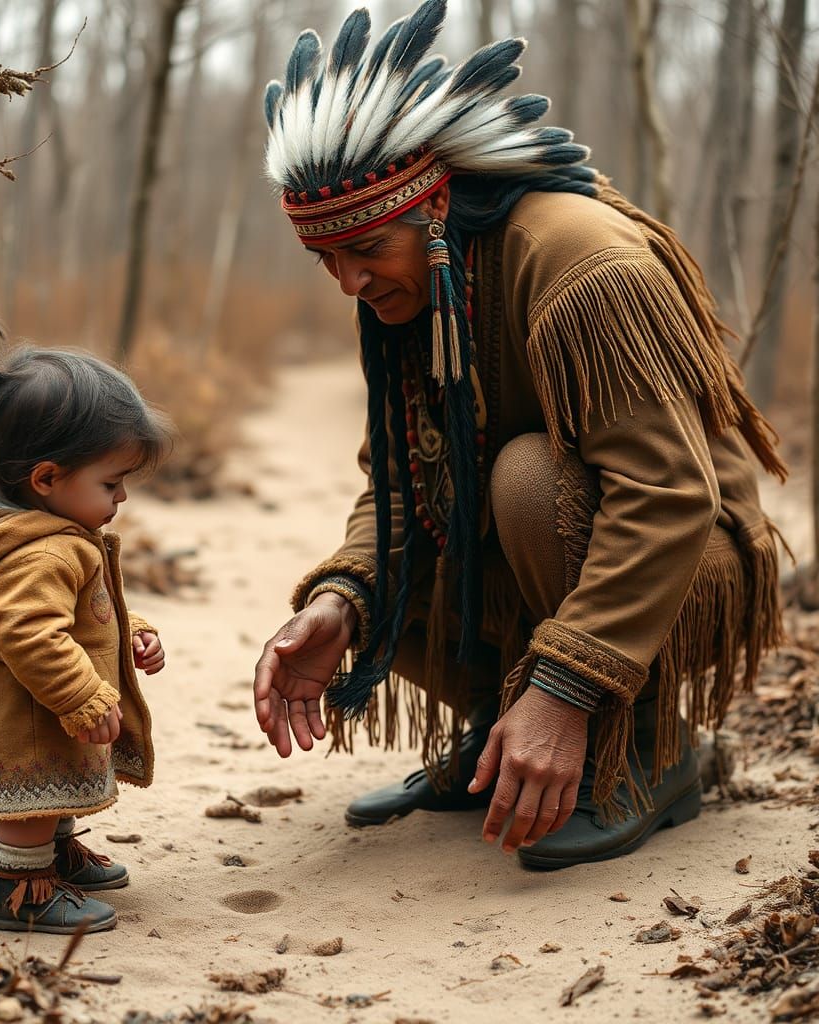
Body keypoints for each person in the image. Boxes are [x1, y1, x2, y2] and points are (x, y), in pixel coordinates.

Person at [253, 0, 787, 869]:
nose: (347, 281)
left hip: (688, 562)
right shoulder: (417, 286)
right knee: (382, 567)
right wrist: (340, 602)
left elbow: (669, 495)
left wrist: (567, 690)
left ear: (433, 210)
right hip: (567, 549)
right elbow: (396, 483)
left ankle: (647, 748)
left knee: (527, 479)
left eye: (368, 250)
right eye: (325, 259)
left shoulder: (578, 259)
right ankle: (499, 737)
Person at [0, 316, 170, 931]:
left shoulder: (45, 530)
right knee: (35, 790)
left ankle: (55, 853)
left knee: (54, 785)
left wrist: (130, 630)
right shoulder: (43, 551)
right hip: (34, 708)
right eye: (112, 482)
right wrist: (80, 693)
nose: (121, 499)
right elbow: (30, 632)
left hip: (43, 701)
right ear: (47, 478)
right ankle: (18, 888)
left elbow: (79, 609)